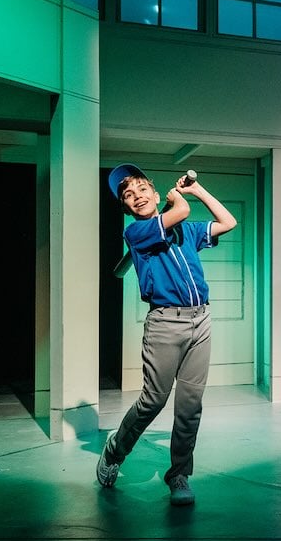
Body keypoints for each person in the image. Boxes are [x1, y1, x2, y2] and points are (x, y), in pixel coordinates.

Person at [97, 164, 237, 505]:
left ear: (155, 194)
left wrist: (196, 189)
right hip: (164, 325)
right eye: (128, 195)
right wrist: (179, 199)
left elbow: (228, 221)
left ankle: (178, 475)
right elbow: (181, 211)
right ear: (126, 207)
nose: (137, 197)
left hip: (200, 320)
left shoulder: (186, 231)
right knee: (153, 401)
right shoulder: (137, 233)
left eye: (142, 189)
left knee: (189, 405)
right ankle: (115, 450)